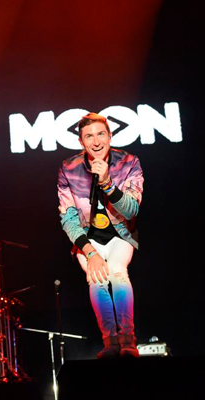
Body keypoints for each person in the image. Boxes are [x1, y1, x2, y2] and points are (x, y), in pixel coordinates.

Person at [57, 112, 143, 359]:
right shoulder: (69, 168)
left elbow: (131, 210)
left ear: (110, 136)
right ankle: (111, 342)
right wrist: (90, 252)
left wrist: (106, 182)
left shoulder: (129, 162)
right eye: (89, 136)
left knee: (117, 271)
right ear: (81, 141)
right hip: (87, 236)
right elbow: (68, 217)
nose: (96, 142)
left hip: (120, 232)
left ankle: (128, 340)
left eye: (100, 134)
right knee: (96, 278)